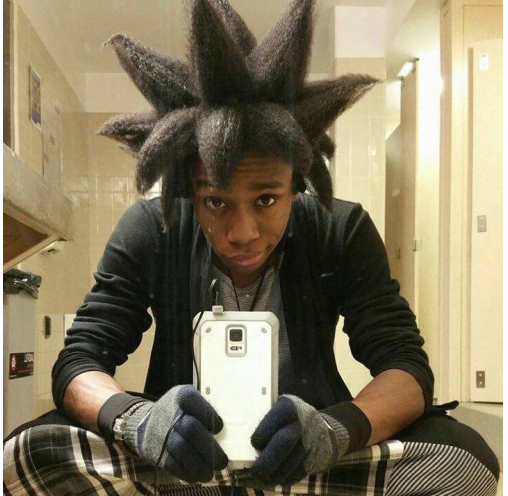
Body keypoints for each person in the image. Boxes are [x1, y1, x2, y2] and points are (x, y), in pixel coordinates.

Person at [3, 0, 499, 495]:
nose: (242, 232)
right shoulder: (151, 228)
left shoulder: (340, 228)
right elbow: (80, 360)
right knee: (27, 451)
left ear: (296, 186)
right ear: (188, 194)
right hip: (182, 461)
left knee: (466, 458)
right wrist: (139, 422)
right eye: (215, 201)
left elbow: (405, 366)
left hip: (308, 461)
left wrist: (335, 431)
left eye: (266, 199)